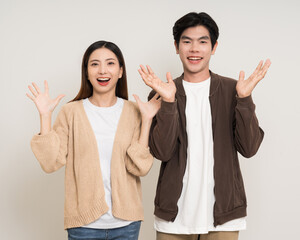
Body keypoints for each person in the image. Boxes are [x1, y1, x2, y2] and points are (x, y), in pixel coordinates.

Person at [138, 12, 271, 240]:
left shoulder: (233, 90)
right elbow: (162, 152)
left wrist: (245, 100)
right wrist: (169, 103)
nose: (194, 49)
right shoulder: (162, 93)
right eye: (187, 41)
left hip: (224, 214)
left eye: (203, 41)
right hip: (174, 215)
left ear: (214, 46)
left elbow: (249, 149)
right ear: (176, 46)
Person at [27, 40, 161, 240]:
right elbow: (50, 163)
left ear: (121, 71)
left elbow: (139, 168)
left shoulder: (135, 111)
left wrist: (147, 120)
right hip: (83, 224)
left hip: (127, 224)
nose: (102, 71)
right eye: (94, 64)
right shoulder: (70, 112)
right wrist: (45, 116)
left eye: (110, 63)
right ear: (87, 72)